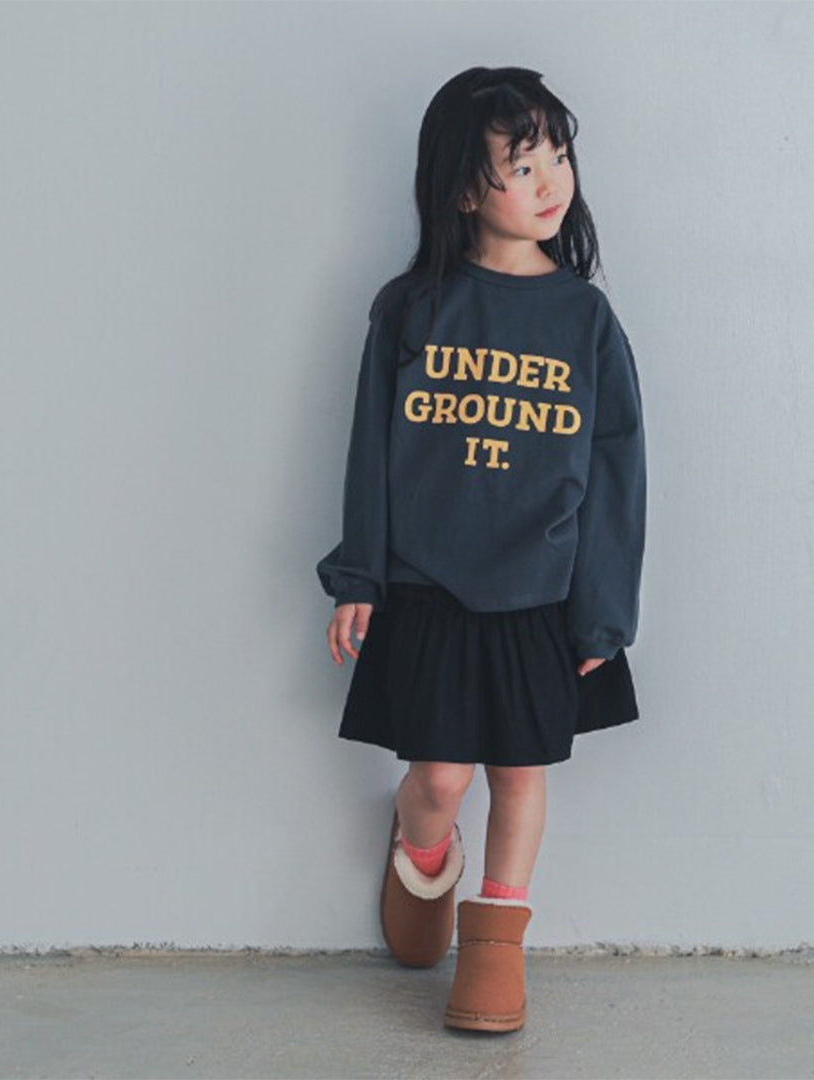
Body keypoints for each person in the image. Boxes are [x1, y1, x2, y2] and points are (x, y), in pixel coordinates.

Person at [316, 66, 647, 1034]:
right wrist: (359, 573)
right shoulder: (410, 310)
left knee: (518, 775)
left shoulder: (585, 320)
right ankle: (423, 857)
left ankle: (495, 949)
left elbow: (618, 474)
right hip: (428, 587)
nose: (551, 181)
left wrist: (605, 612)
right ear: (465, 188)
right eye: (522, 163)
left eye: (559, 157)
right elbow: (371, 451)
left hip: (538, 594)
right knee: (442, 778)